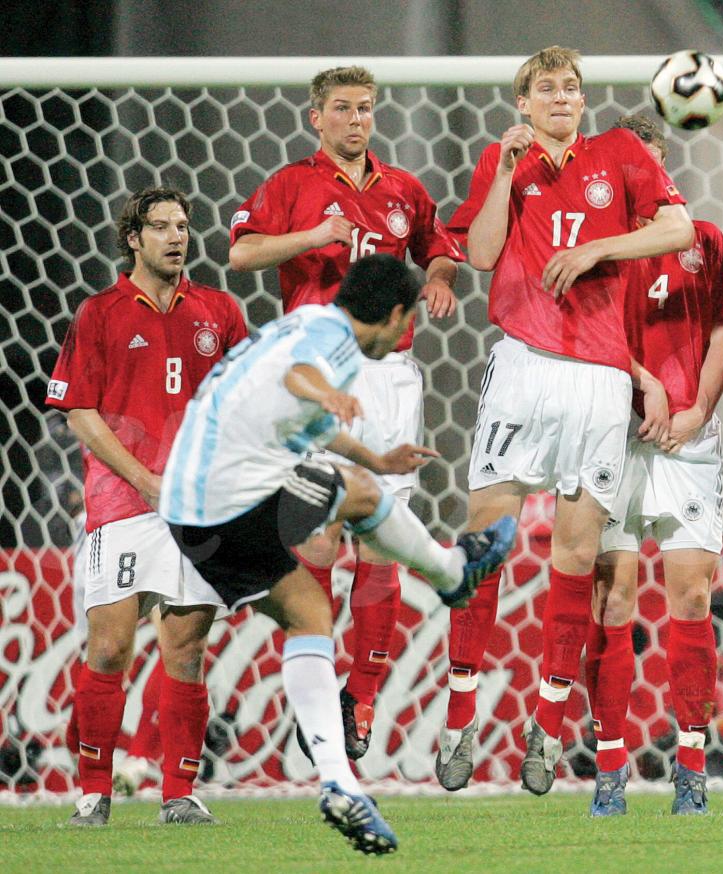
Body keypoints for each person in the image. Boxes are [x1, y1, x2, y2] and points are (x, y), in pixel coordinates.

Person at [159, 254, 516, 856]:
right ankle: (452, 575)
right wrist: (330, 393)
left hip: (192, 507)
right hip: (230, 500)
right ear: (398, 315)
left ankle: (338, 785)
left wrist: (376, 455)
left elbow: (300, 418)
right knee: (351, 518)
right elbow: (300, 378)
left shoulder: (308, 324)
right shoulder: (329, 341)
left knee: (315, 600)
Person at [438, 46, 693, 796]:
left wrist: (598, 247)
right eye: (546, 88)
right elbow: (481, 253)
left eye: (571, 87)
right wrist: (504, 174)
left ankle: (545, 728)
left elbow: (678, 228)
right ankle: (460, 719)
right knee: (485, 539)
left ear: (584, 101)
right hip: (522, 366)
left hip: (601, 379)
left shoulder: (619, 154)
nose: (561, 97)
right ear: (522, 103)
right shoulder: (502, 159)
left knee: (577, 558)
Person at [228, 64, 464, 761]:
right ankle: (316, 681)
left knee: (381, 540)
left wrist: (443, 281)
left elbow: (441, 249)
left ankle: (357, 699)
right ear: (316, 118)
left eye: (365, 108)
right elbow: (240, 253)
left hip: (388, 378)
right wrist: (312, 237)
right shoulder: (290, 185)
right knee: (318, 539)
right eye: (342, 108)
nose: (356, 119)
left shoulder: (403, 190)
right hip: (315, 374)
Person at [46, 186, 248, 826]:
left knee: (186, 650)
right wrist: (144, 478)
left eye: (183, 226)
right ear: (133, 238)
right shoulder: (99, 312)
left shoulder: (220, 310)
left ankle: (179, 794)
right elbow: (79, 411)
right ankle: (94, 792)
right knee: (108, 648)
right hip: (122, 504)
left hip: (198, 507)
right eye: (159, 226)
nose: (175, 236)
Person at [585, 116, 723, 817]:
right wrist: (640, 388)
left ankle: (691, 768)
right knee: (613, 601)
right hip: (613, 437)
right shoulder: (595, 250)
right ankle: (611, 768)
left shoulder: (703, 240)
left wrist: (694, 412)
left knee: (690, 597)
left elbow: (721, 338)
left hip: (687, 440)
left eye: (655, 164)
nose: (648, 177)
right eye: (634, 167)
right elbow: (580, 338)